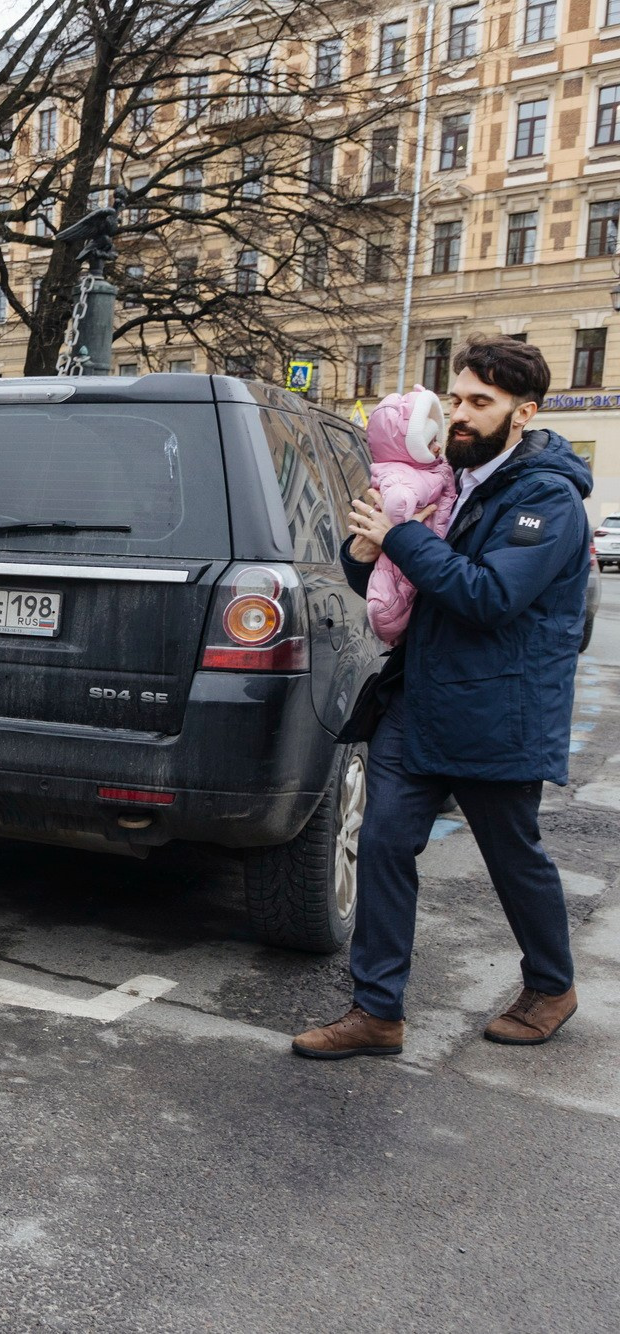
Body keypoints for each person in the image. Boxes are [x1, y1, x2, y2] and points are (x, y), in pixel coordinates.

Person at [295, 336, 591, 1059]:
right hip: (419, 702)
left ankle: (551, 985)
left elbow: (489, 597)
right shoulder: (443, 483)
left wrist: (398, 537)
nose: (458, 414)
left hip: (498, 712)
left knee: (511, 855)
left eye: (479, 404)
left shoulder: (545, 499)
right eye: (454, 398)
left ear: (522, 414)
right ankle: (377, 1011)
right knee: (385, 843)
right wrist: (365, 556)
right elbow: (401, 590)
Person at [363, 387, 454, 646]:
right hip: (411, 558)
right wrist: (402, 530)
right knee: (396, 584)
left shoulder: (435, 469)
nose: (437, 448)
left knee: (402, 585)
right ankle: (390, 613)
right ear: (413, 446)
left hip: (422, 561)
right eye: (430, 441)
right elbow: (399, 500)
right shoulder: (402, 473)